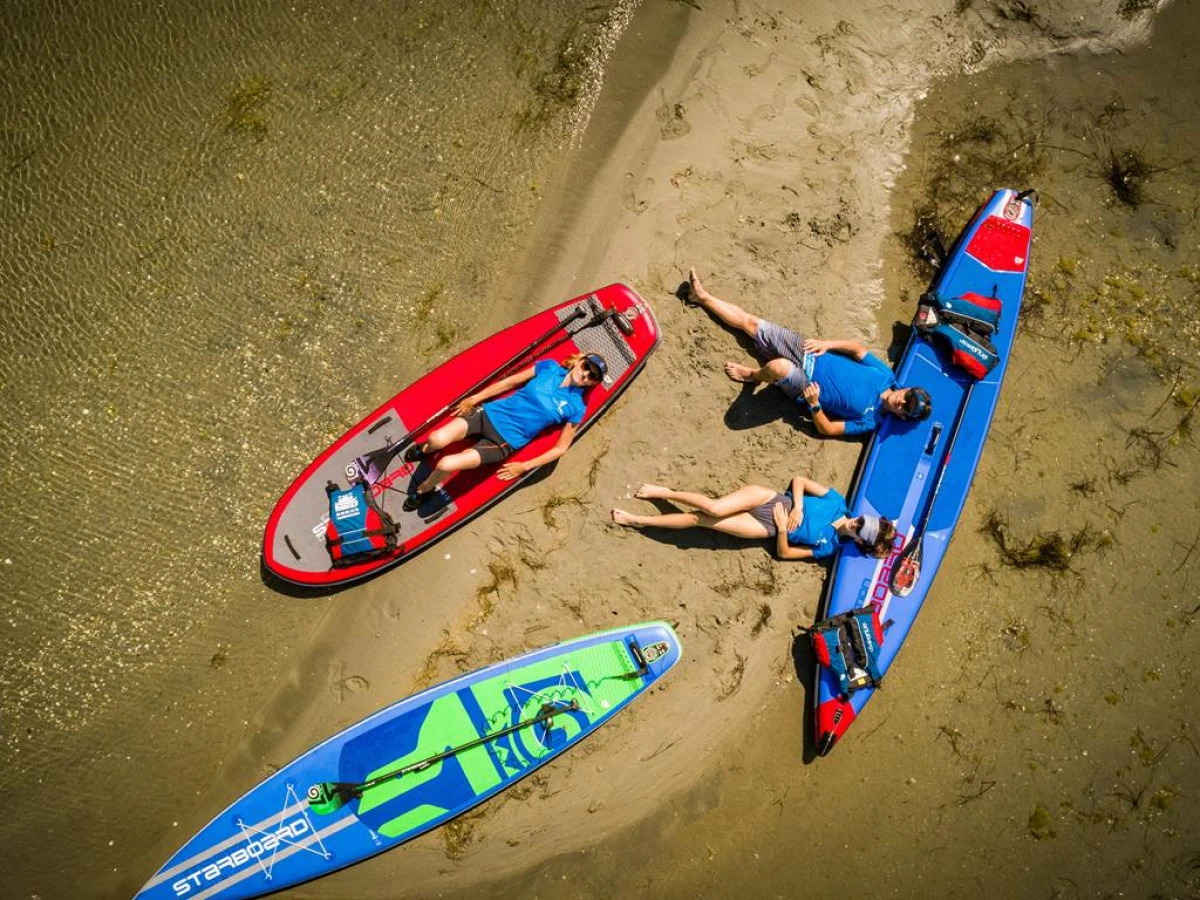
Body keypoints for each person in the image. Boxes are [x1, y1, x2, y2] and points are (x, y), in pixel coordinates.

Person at [685, 269, 931, 436]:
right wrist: (827, 344)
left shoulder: (870, 420)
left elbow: (828, 430)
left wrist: (814, 405)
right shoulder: (885, 375)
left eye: (905, 407)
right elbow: (858, 350)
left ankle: (753, 376)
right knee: (753, 324)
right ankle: (702, 297)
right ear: (906, 388)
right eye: (907, 396)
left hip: (804, 386)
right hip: (811, 353)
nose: (901, 401)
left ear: (902, 416)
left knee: (778, 367)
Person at [403, 353, 606, 513]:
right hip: (488, 414)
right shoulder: (549, 367)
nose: (586, 374)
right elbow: (509, 383)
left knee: (446, 464)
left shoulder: (577, 407)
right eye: (586, 367)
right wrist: (475, 399)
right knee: (435, 439)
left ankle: (423, 490)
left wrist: (524, 467)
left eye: (592, 376)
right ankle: (425, 448)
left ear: (593, 383)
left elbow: (561, 448)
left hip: (503, 441)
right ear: (579, 361)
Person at [610, 476, 895, 562]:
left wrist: (783, 528)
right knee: (715, 508)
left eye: (860, 529)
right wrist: (796, 507)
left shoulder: (828, 547)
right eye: (861, 519)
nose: (855, 522)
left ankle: (638, 520)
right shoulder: (838, 503)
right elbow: (799, 480)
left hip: (767, 527)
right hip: (771, 500)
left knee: (701, 520)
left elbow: (784, 553)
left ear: (859, 540)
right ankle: (666, 491)